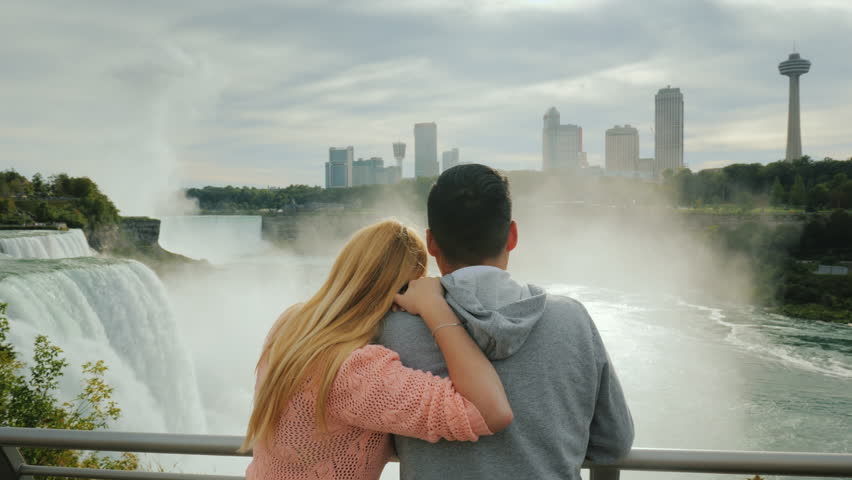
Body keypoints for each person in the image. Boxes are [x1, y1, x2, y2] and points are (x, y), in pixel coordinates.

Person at [379, 164, 634, 480]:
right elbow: (614, 444)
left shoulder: (394, 330)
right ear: (512, 235)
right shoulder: (572, 320)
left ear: (431, 244)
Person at [242, 219, 513, 480]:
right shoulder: (353, 371)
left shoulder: (292, 325)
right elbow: (488, 411)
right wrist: (433, 306)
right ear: (398, 291)